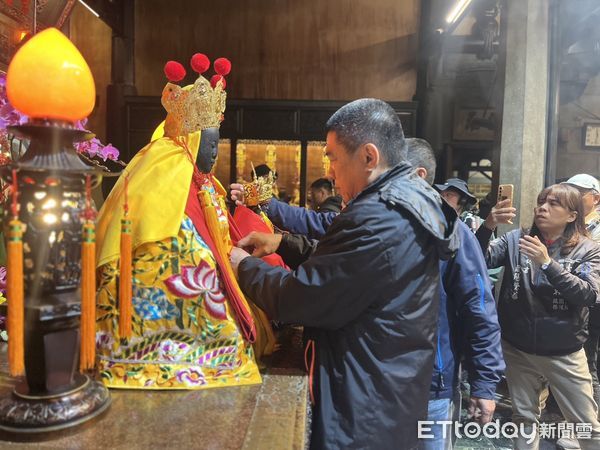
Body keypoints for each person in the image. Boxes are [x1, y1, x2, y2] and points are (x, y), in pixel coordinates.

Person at [235, 137, 504, 450]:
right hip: (376, 378)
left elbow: (479, 309)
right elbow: (333, 249)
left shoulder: (451, 233)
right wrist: (281, 240)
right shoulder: (379, 217)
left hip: (429, 383)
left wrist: (484, 382)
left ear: (414, 176)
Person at [94, 55, 274, 389]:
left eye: (217, 141)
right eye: (210, 141)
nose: (215, 152)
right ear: (191, 139)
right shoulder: (164, 167)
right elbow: (179, 235)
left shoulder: (203, 180)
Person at [478, 184, 600, 449]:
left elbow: (589, 295)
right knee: (523, 418)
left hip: (564, 351)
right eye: (541, 202)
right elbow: (479, 259)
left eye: (554, 204)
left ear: (571, 215)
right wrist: (488, 226)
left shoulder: (588, 249)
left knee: (586, 425)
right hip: (518, 347)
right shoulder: (516, 240)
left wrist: (547, 264)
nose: (542, 208)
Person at [563, 173, 600, 415]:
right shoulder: (571, 224)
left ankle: (586, 426)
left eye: (579, 193)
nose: (572, 197)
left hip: (594, 302)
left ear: (595, 198)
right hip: (573, 301)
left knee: (589, 363)